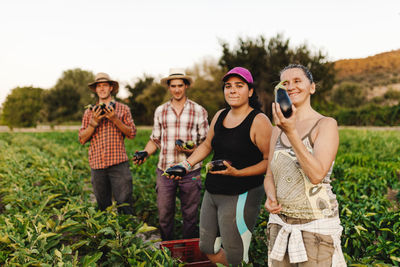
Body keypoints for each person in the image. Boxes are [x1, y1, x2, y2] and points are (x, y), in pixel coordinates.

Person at [170, 67, 273, 266]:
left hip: (241, 193)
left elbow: (269, 161)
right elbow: (207, 145)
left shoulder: (259, 121)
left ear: (250, 91)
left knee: (236, 255)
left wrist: (238, 173)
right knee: (207, 246)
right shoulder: (220, 115)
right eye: (228, 86)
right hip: (213, 190)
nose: (232, 90)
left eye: (239, 86)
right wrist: (185, 165)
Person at [264, 64, 346, 266]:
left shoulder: (325, 124)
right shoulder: (276, 130)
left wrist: (291, 132)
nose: (290, 86)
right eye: (285, 83)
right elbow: (269, 175)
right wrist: (270, 196)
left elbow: (317, 174)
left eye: (297, 81)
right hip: (280, 224)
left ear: (312, 87)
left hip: (316, 228)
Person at [133, 68, 209, 241]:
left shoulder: (199, 111)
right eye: (173, 86)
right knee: (164, 216)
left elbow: (206, 143)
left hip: (190, 171)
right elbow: (155, 140)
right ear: (169, 88)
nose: (176, 89)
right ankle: (168, 251)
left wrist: (189, 149)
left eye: (180, 85)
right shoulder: (160, 111)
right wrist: (145, 152)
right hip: (165, 171)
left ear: (186, 86)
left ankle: (186, 252)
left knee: (190, 217)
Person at [79, 72, 136, 215]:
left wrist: (115, 119)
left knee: (125, 204)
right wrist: (94, 122)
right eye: (99, 86)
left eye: (105, 85)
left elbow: (131, 134)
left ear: (111, 88)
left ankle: (127, 233)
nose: (102, 89)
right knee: (102, 206)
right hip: (97, 164)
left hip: (118, 163)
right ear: (96, 90)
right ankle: (108, 235)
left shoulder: (122, 109)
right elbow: (82, 139)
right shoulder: (90, 112)